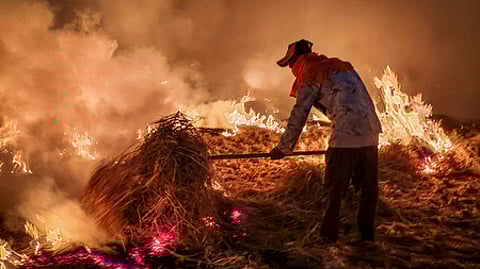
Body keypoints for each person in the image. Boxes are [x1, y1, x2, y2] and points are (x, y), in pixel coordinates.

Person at [270, 39, 382, 242]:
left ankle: (328, 238)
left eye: (290, 64)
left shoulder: (311, 72)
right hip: (371, 132)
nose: (291, 70)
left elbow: (300, 113)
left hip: (346, 137)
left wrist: (283, 148)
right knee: (367, 189)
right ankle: (367, 237)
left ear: (297, 60)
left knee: (334, 189)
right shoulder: (341, 67)